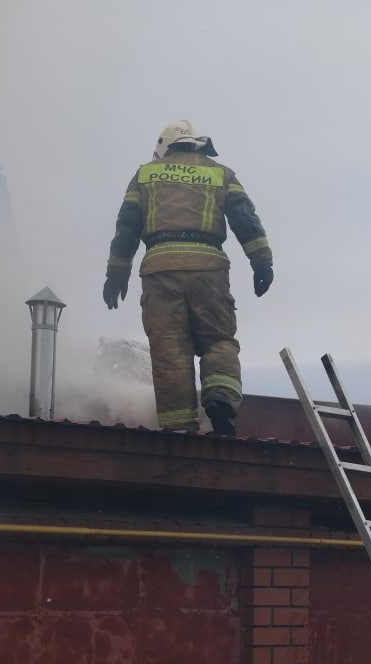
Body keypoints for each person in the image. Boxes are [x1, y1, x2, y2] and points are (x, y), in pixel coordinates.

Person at [103, 120, 273, 435]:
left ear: (163, 147)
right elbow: (245, 219)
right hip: (208, 268)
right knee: (218, 339)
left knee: (170, 349)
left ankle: (179, 431)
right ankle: (220, 397)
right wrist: (261, 261)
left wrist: (116, 274)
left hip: (160, 269)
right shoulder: (220, 173)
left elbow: (126, 228)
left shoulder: (146, 174)